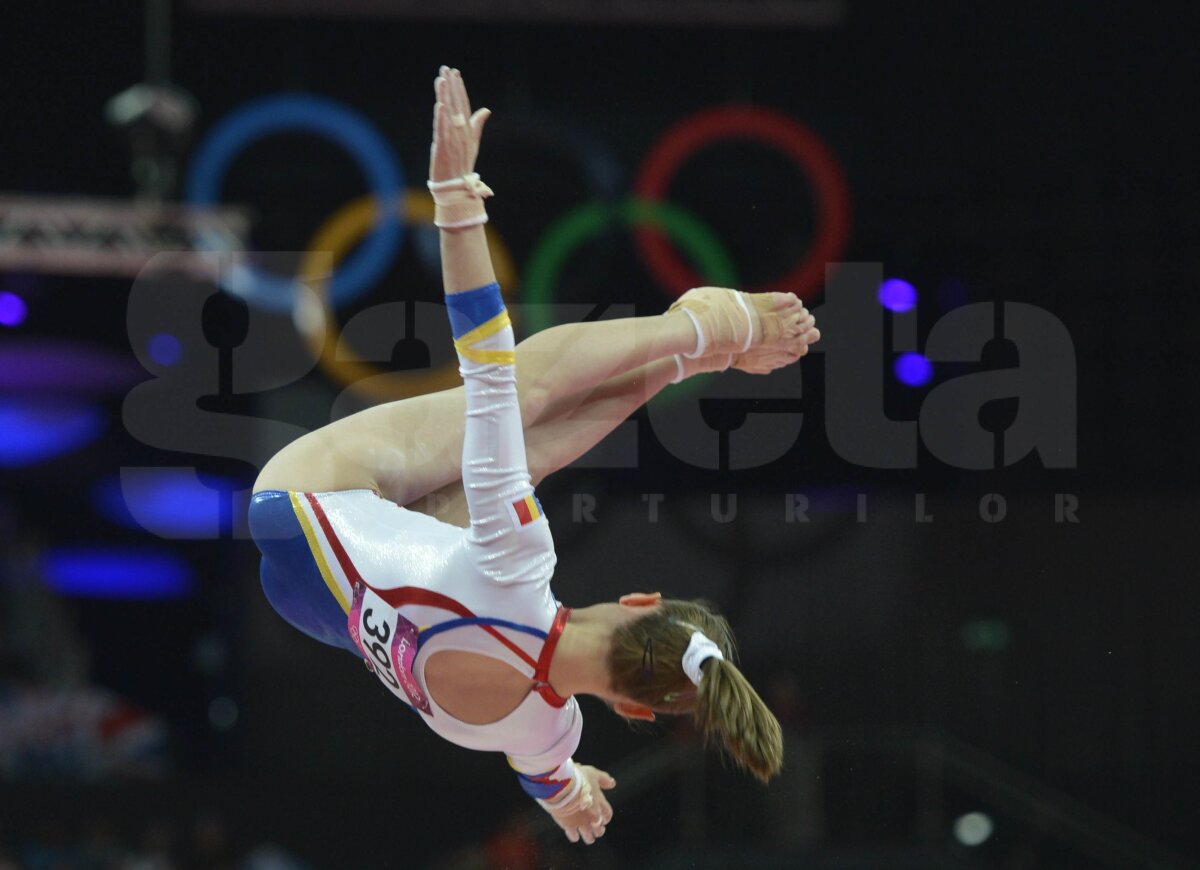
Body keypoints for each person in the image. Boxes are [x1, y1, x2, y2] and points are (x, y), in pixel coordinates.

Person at [248, 66, 821, 845]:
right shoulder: (546, 738)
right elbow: (544, 775)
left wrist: (452, 200)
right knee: (523, 461)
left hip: (303, 499)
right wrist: (568, 795)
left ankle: (701, 330)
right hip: (311, 607)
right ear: (631, 709)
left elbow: (490, 365)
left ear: (641, 602)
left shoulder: (518, 565)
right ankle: (692, 356)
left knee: (517, 405)